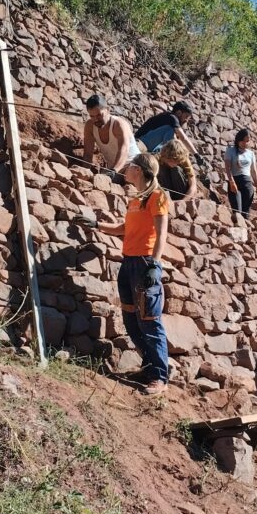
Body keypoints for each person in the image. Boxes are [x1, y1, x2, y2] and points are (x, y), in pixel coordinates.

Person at [97, 153, 170, 395]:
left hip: (144, 263)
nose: (126, 169)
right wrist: (96, 225)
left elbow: (162, 234)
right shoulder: (136, 200)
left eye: (130, 166)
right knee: (131, 319)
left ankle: (159, 377)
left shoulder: (158, 197)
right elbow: (124, 229)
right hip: (128, 262)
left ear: (138, 170)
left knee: (149, 319)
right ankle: (149, 367)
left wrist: (155, 265)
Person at [82, 93, 140, 177]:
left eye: (99, 115)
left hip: (134, 166)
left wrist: (114, 171)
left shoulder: (118, 124)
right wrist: (84, 172)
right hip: (113, 169)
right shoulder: (90, 126)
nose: (96, 119)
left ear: (107, 110)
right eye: (92, 116)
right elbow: (88, 154)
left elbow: (124, 150)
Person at [135, 101, 199, 154]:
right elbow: (184, 138)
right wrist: (196, 155)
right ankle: (169, 154)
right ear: (179, 113)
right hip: (142, 141)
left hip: (149, 144)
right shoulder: (172, 118)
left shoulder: (168, 117)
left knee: (176, 141)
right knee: (170, 130)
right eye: (186, 116)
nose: (186, 120)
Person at [225, 128, 257, 219]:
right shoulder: (230, 151)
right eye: (243, 141)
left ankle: (245, 227)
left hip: (247, 183)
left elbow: (253, 171)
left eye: (247, 141)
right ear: (238, 140)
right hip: (234, 181)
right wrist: (231, 182)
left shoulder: (251, 154)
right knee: (237, 212)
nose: (245, 143)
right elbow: (228, 168)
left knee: (245, 213)